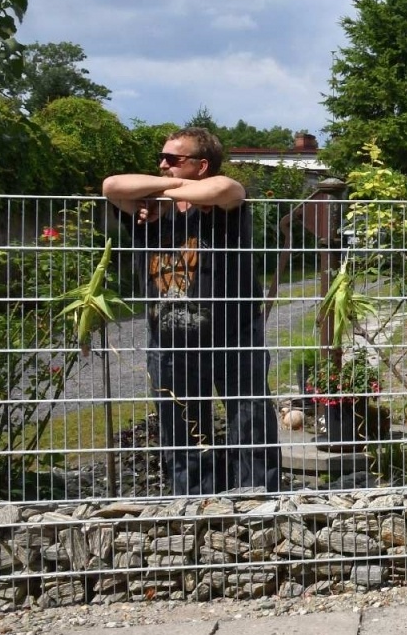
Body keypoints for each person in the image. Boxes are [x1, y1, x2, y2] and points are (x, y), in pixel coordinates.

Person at [103, 127, 281, 494]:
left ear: (202, 165)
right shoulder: (148, 211)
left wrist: (158, 193)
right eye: (161, 158)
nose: (162, 165)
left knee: (249, 425)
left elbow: (223, 189)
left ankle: (259, 503)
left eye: (173, 159)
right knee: (182, 431)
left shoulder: (222, 208)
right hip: (170, 344)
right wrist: (160, 193)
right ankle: (196, 507)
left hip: (234, 337)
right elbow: (111, 185)